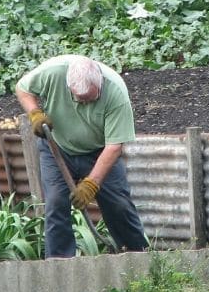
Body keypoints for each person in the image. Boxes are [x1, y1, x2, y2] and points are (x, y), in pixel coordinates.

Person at [15, 54, 148, 258]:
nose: (85, 104)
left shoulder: (116, 92)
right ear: (68, 86)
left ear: (99, 83)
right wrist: (34, 113)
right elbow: (22, 88)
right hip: (57, 148)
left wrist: (91, 185)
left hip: (99, 152)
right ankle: (59, 265)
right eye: (80, 99)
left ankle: (138, 257)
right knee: (56, 203)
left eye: (91, 99)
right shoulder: (53, 72)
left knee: (118, 205)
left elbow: (114, 147)